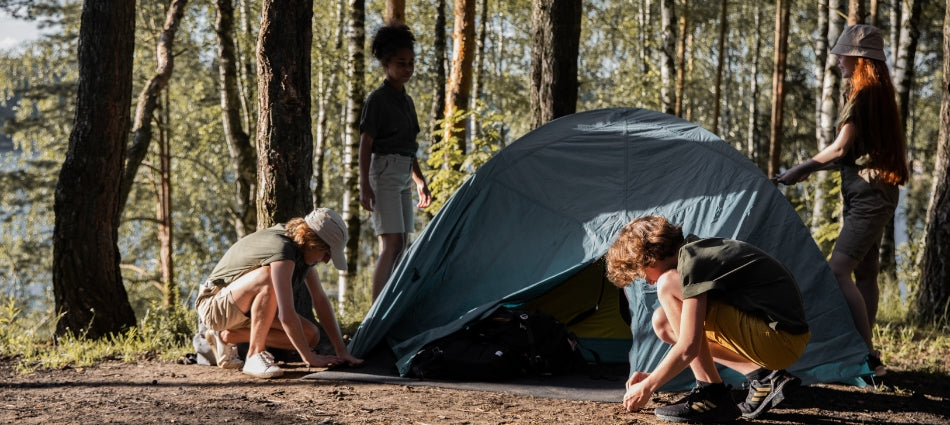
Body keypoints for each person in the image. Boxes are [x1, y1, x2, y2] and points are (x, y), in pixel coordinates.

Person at [774, 24, 907, 377]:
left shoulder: (863, 96)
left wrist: (798, 170)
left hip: (868, 196)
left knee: (838, 270)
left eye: (842, 54)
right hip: (873, 192)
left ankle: (866, 357)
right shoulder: (877, 94)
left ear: (858, 59)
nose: (836, 60)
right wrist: (805, 172)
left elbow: (839, 148)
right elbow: (850, 155)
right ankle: (864, 353)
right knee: (865, 273)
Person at [605, 216, 811, 423]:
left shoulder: (691, 261)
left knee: (667, 285)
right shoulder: (693, 252)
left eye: (642, 273)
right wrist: (653, 376)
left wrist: (648, 387)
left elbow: (689, 346)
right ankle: (764, 376)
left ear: (650, 256)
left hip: (779, 339)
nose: (648, 280)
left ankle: (711, 394)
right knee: (663, 322)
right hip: (782, 338)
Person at [195, 208, 364, 379]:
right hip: (212, 306)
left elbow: (320, 300)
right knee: (267, 277)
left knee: (311, 336)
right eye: (326, 253)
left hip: (238, 312)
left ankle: (227, 336)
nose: (326, 261)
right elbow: (286, 314)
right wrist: (309, 357)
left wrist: (341, 351)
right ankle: (254, 354)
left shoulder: (302, 249)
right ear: (313, 241)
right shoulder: (283, 250)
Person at [359, 24, 432, 301]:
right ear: (386, 63)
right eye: (401, 63)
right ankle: (375, 314)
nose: (408, 69)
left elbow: (410, 146)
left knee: (402, 244)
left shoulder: (407, 101)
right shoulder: (377, 100)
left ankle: (393, 306)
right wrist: (365, 184)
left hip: (403, 173)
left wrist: (419, 181)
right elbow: (366, 143)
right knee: (390, 243)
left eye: (411, 63)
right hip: (385, 171)